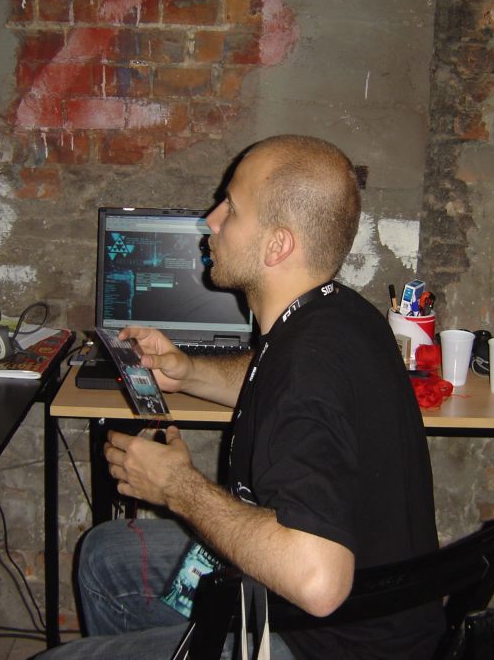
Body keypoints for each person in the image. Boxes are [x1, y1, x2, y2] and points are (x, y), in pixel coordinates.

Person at [40, 135, 442, 659]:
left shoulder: (308, 369)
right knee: (104, 555)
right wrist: (187, 373)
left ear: (277, 246)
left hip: (322, 643)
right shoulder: (341, 314)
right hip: (380, 613)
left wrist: (177, 487)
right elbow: (271, 376)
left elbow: (318, 581)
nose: (211, 220)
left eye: (230, 207)